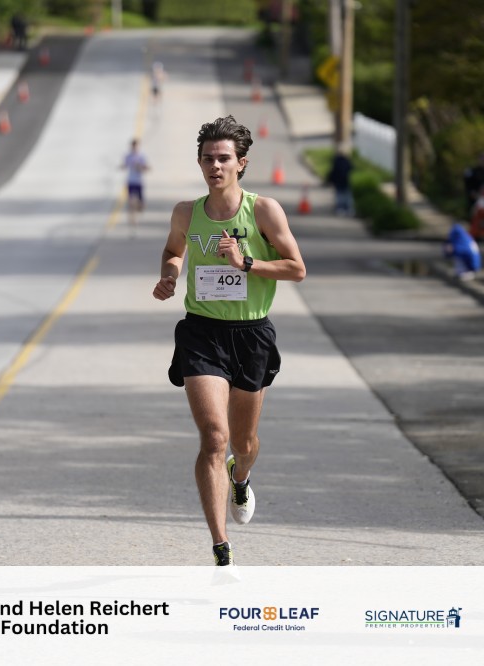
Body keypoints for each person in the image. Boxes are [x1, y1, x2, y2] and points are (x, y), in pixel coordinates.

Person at [152, 116, 306, 566]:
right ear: (200, 163)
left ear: (242, 163)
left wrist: (246, 263)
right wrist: (169, 275)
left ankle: (241, 477)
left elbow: (296, 268)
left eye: (223, 158)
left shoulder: (264, 211)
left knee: (243, 443)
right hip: (201, 332)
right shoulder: (186, 212)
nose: (215, 166)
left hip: (251, 334)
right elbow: (173, 250)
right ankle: (221, 548)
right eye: (207, 159)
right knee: (214, 437)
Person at [122, 139, 149, 232]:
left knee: (141, 205)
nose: (134, 148)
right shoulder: (128, 156)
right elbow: (125, 165)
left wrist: (140, 167)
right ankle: (132, 220)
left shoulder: (141, 156)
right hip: (131, 181)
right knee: (131, 202)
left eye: (135, 146)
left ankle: (138, 209)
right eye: (133, 146)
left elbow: (146, 168)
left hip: (139, 182)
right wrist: (122, 166)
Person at [325, 147, 354, 216]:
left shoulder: (336, 161)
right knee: (346, 195)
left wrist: (330, 180)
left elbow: (333, 171)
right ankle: (348, 208)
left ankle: (340, 208)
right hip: (345, 181)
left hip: (338, 181)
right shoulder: (346, 161)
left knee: (339, 195)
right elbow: (351, 168)